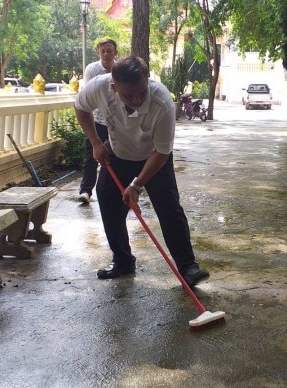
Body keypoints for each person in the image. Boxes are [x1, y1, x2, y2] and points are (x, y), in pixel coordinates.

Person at [74, 56, 210, 287]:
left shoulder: (162, 101)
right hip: (117, 154)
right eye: (129, 95)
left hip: (154, 157)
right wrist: (96, 142)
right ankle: (123, 261)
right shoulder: (99, 86)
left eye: (141, 92)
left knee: (169, 208)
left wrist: (136, 185)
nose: (136, 99)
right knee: (109, 204)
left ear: (147, 80)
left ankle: (188, 267)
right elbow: (80, 107)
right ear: (114, 87)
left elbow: (162, 151)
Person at [78, 39, 118, 204]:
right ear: (98, 53)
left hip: (116, 121)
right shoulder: (92, 69)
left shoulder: (120, 69)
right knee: (92, 154)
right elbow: (87, 96)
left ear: (115, 52)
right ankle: (86, 190)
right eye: (103, 51)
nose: (106, 54)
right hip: (97, 120)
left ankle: (116, 187)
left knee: (117, 155)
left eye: (109, 51)